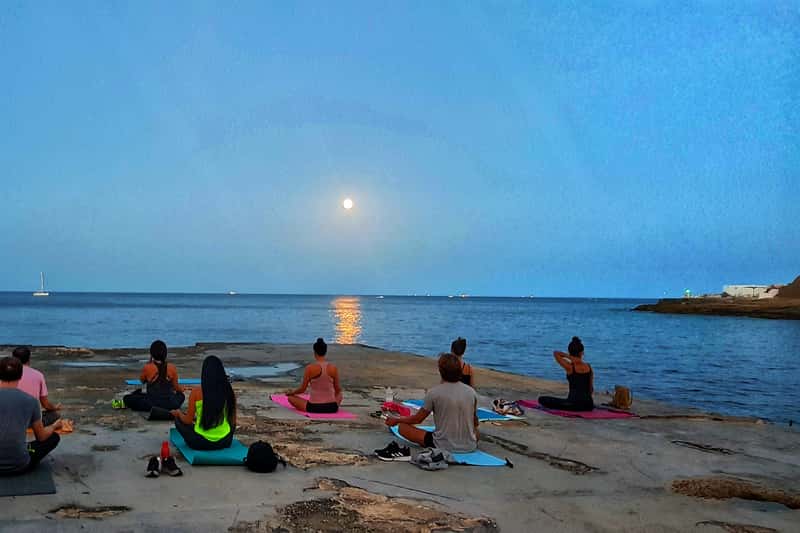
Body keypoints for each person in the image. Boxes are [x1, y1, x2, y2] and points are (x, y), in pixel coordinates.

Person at [377, 352, 479, 460]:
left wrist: (396, 420)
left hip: (444, 445)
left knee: (403, 428)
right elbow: (474, 421)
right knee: (476, 432)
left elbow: (417, 419)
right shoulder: (471, 392)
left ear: (441, 371)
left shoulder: (434, 393)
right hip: (470, 445)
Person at [0, 357, 62, 475]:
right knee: (54, 437)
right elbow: (41, 437)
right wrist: (54, 426)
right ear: (21, 375)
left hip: (19, 462)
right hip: (20, 464)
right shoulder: (31, 401)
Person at [171, 355, 236, 450]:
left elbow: (187, 421)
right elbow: (233, 421)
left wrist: (179, 413)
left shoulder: (196, 392)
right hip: (225, 441)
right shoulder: (229, 392)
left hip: (200, 442)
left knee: (178, 420)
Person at [123, 340, 185, 413]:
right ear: (165, 353)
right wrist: (182, 390)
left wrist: (149, 366)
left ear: (152, 354)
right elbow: (176, 388)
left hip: (151, 404)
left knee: (127, 398)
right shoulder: (172, 367)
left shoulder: (148, 367)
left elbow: (142, 380)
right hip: (170, 404)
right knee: (181, 396)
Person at [538, 336, 594, 411]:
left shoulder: (570, 367)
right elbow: (591, 390)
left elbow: (556, 353)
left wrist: (569, 356)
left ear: (569, 352)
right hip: (589, 405)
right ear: (582, 352)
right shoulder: (589, 367)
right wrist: (577, 359)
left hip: (573, 404)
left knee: (542, 399)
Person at [286, 338, 342, 413]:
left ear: (314, 352)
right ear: (325, 352)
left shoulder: (310, 368)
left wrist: (292, 393)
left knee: (291, 398)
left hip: (313, 407)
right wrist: (330, 397)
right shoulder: (333, 368)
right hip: (332, 407)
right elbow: (338, 390)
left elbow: (302, 389)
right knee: (340, 395)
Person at [12, 346, 63, 426]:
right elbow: (45, 404)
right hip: (32, 421)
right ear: (29, 359)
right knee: (54, 415)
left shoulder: (7, 374)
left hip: (12, 419)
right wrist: (55, 408)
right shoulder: (38, 375)